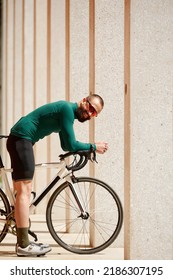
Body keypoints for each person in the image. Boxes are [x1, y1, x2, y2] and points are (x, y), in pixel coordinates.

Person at [6, 94, 108, 257]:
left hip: (21, 139)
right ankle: (24, 245)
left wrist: (85, 148)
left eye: (94, 114)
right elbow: (71, 144)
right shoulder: (67, 109)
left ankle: (23, 237)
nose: (89, 114)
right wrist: (93, 146)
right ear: (84, 100)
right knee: (25, 191)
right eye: (90, 108)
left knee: (22, 191)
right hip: (22, 138)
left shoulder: (67, 113)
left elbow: (66, 144)